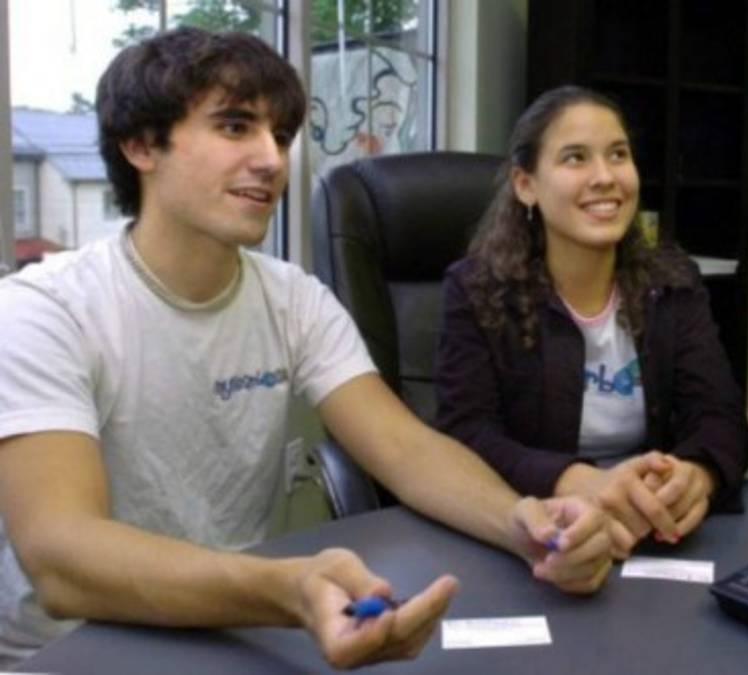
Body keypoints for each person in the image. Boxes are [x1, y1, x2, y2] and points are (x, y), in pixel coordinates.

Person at [0, 28, 612, 670]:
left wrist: (524, 523)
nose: (272, 160)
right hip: (71, 651)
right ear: (140, 145)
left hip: (226, 630)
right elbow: (62, 560)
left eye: (282, 136)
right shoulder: (45, 309)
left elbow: (403, 449)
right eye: (236, 127)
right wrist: (288, 589)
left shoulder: (294, 299)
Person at [434, 86, 748, 559]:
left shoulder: (672, 283)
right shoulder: (477, 290)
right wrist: (579, 481)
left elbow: (720, 419)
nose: (605, 177)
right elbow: (467, 435)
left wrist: (695, 476)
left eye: (618, 155)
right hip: (530, 537)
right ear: (527, 185)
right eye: (575, 158)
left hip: (651, 537)